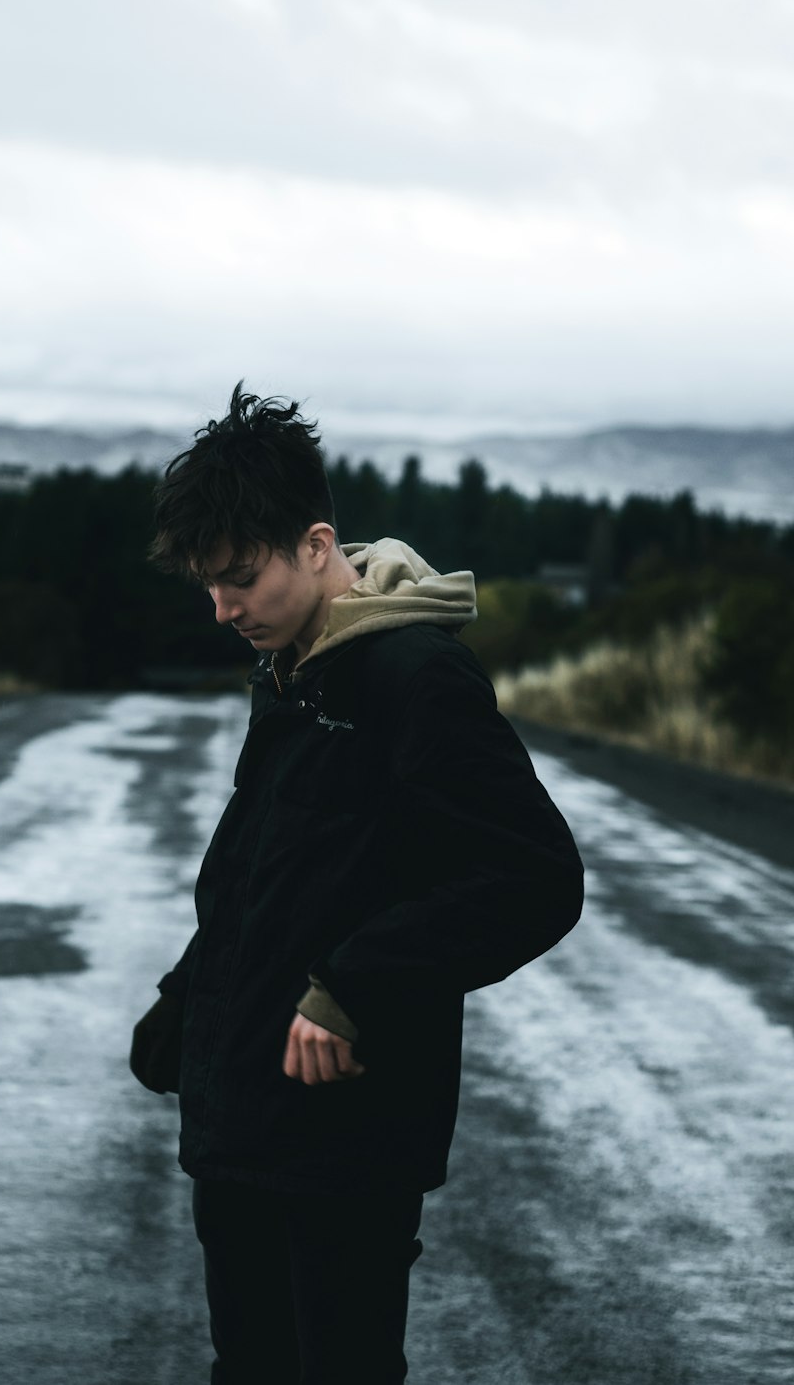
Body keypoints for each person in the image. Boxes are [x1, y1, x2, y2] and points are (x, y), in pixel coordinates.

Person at [130, 386, 584, 1384]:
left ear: (316, 543)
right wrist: (185, 995)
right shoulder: (295, 674)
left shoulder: (413, 678)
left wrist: (356, 984)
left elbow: (532, 876)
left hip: (345, 1140)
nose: (223, 609)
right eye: (208, 586)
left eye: (241, 578)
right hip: (243, 1127)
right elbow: (268, 875)